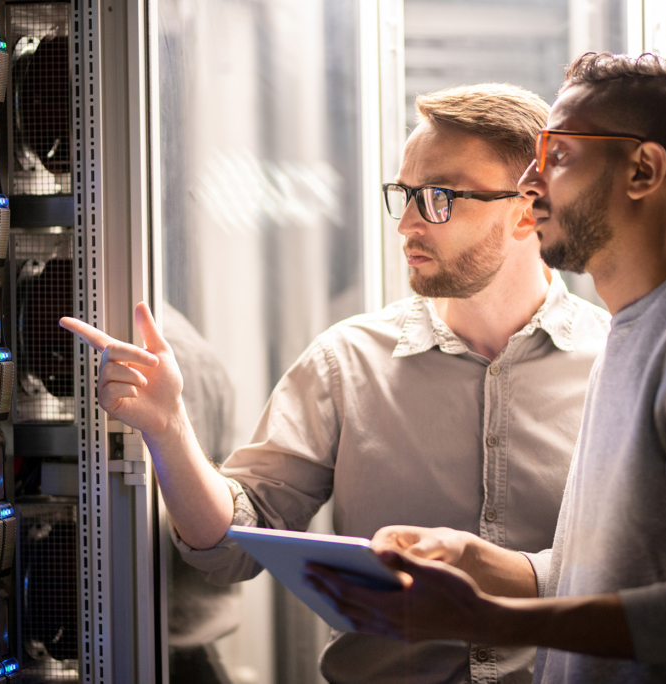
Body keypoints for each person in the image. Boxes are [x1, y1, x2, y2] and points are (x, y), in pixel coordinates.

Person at [60, 83, 611, 683]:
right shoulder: (346, 361)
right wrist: (168, 430)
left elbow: (658, 569)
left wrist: (496, 570)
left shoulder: (618, 365)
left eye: (439, 198)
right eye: (403, 195)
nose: (406, 225)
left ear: (528, 207)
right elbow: (231, 544)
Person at [306, 53, 666, 684]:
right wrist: (479, 563)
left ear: (644, 170)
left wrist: (494, 621)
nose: (532, 183)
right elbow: (602, 575)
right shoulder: (634, 330)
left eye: (559, 157)